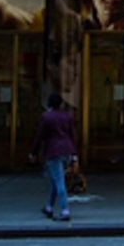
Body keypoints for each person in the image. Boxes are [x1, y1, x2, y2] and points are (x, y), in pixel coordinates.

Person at [29, 92, 77, 222]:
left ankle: (65, 210)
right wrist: (74, 153)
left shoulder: (46, 117)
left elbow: (39, 136)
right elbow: (72, 134)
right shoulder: (67, 116)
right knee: (57, 180)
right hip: (66, 150)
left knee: (59, 181)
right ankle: (49, 207)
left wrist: (33, 152)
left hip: (53, 151)